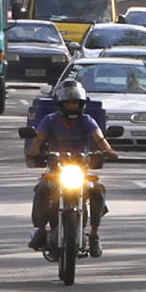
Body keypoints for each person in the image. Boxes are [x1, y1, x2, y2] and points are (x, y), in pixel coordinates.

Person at [26, 77, 114, 255]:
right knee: (42, 188)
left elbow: (99, 138)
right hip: (56, 168)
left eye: (76, 103)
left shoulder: (87, 120)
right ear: (61, 103)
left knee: (98, 190)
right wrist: (35, 150)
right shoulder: (50, 120)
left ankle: (95, 234)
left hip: (80, 168)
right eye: (69, 103)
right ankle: (41, 229)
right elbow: (38, 139)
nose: (73, 106)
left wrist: (108, 150)